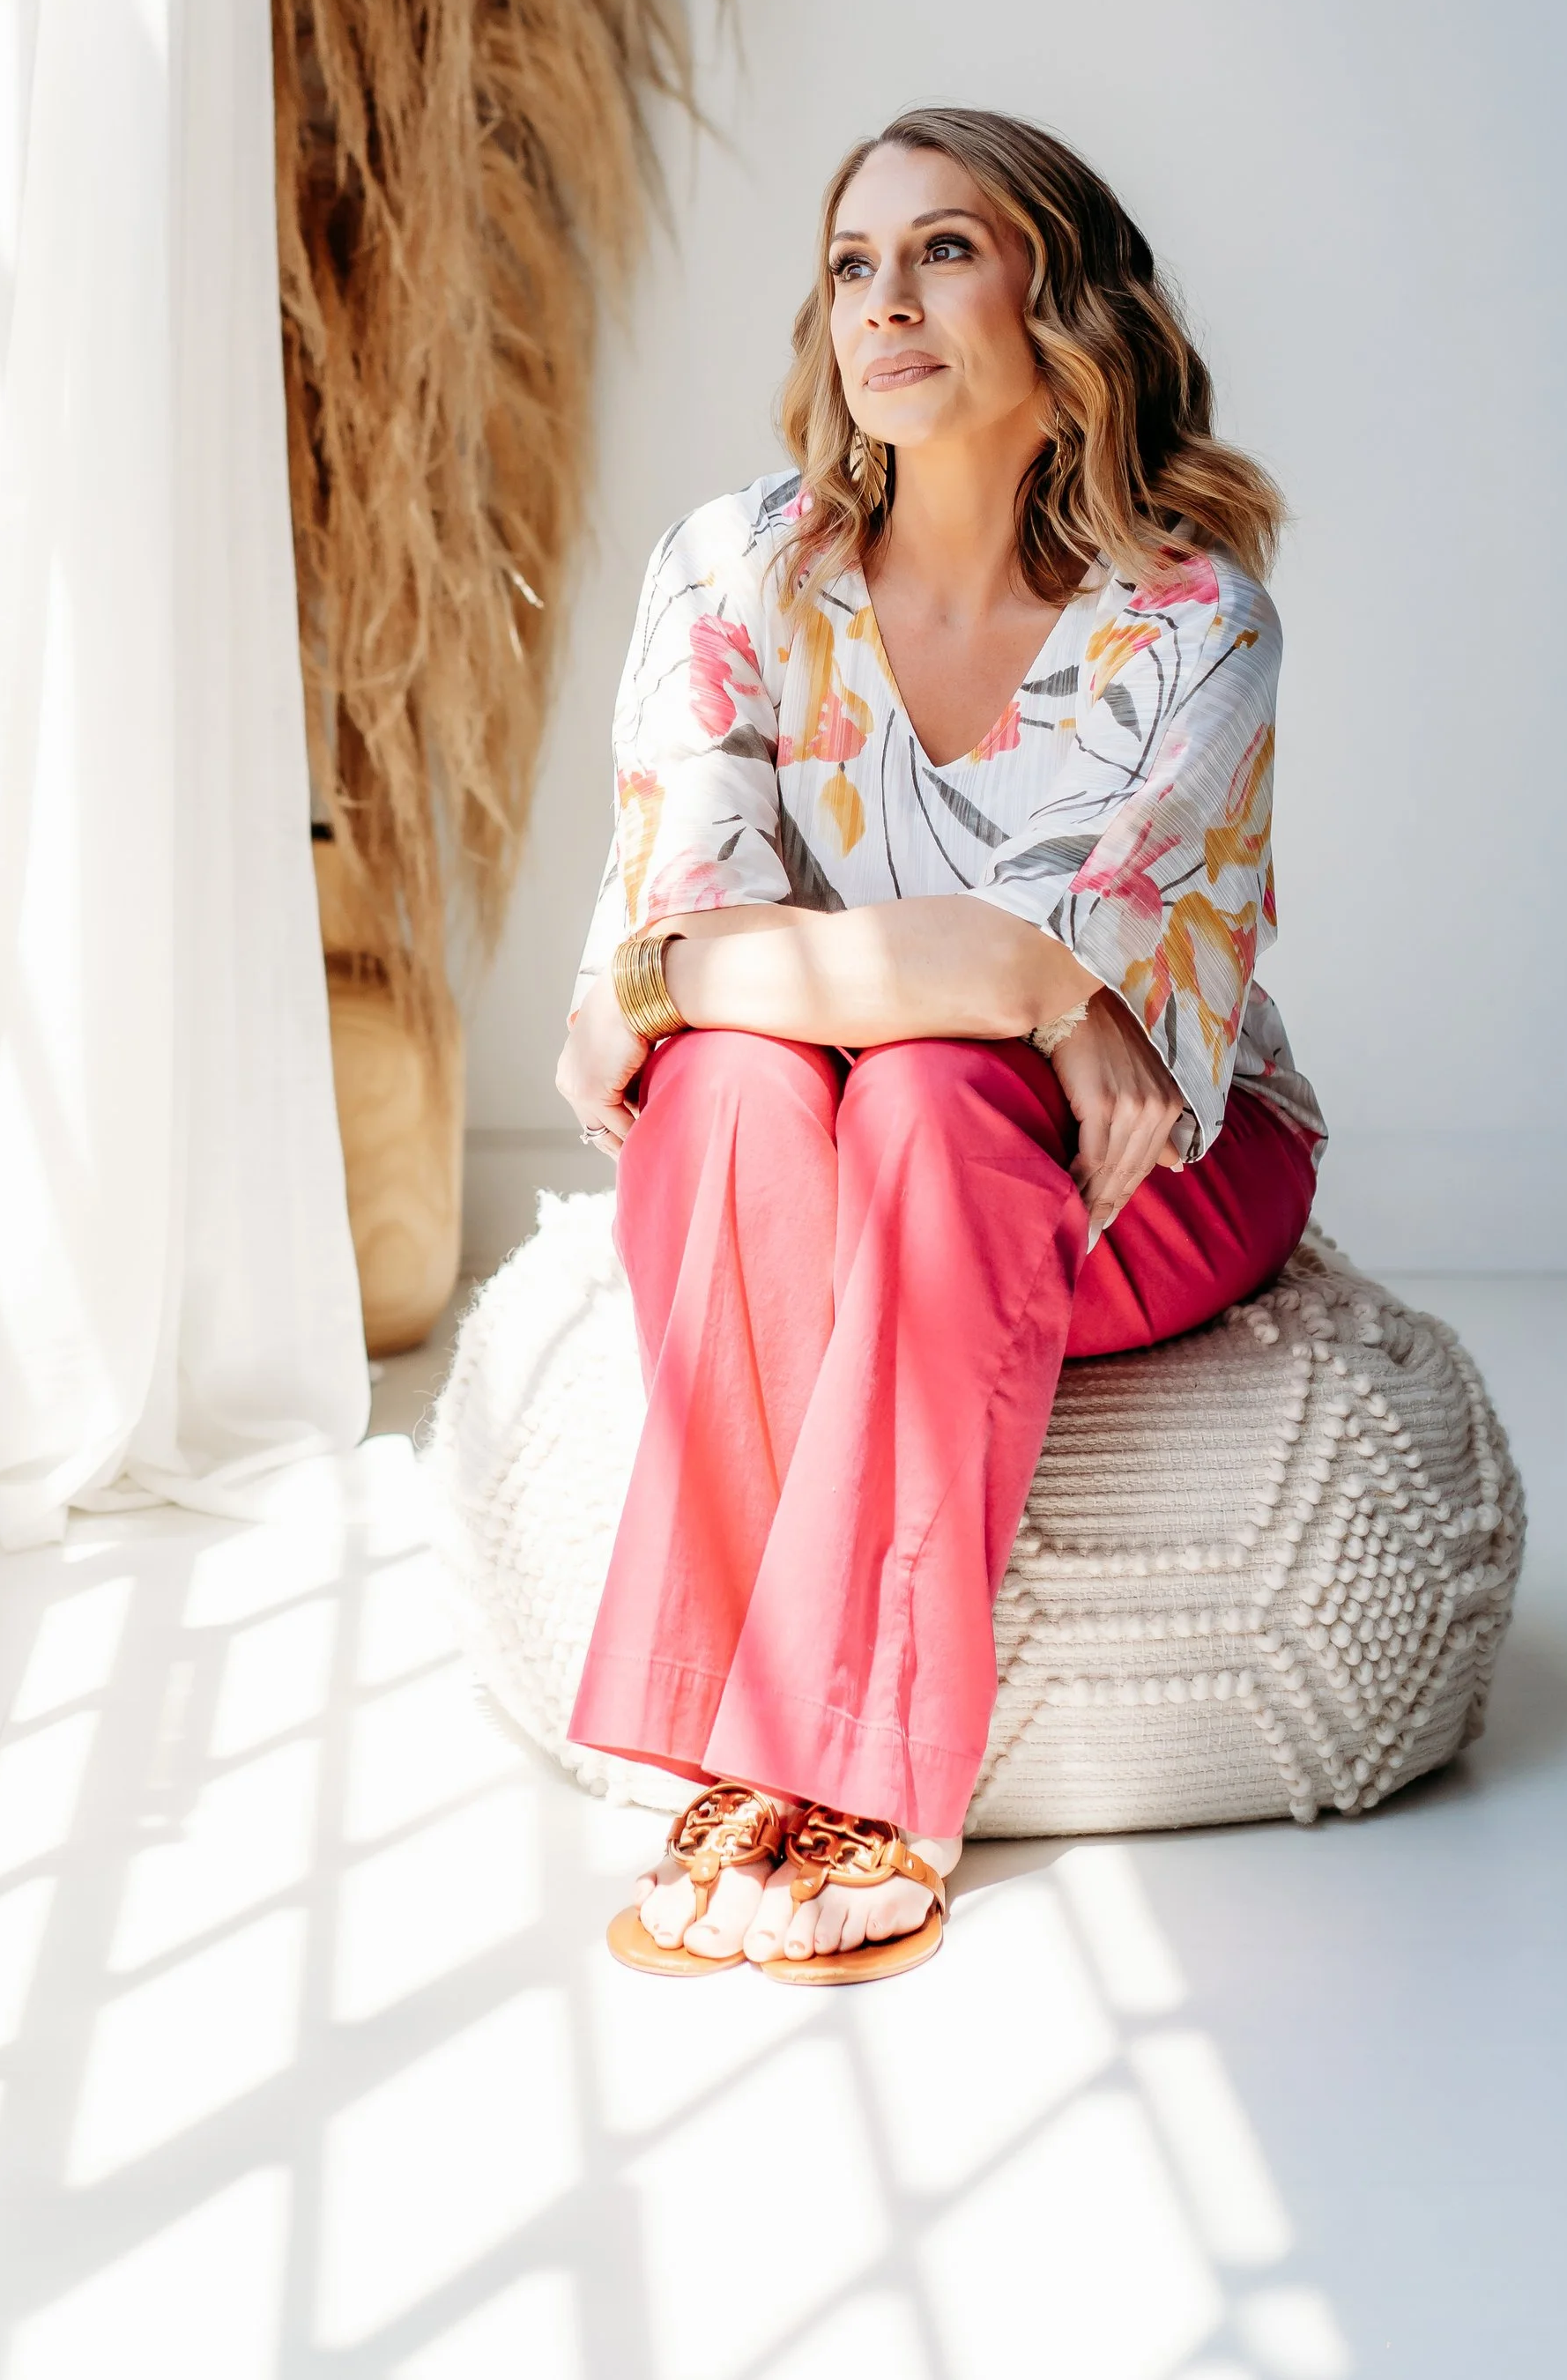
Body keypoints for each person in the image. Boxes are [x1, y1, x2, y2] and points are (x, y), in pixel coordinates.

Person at [555, 108, 1326, 1986]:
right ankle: (727, 1760)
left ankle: (852, 1778)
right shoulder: (736, 573)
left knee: (916, 1088)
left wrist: (1023, 993)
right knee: (742, 1084)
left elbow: (1099, 1039)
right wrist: (998, 966)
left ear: (1061, 303)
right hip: (804, 1134)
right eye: (848, 264)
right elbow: (679, 964)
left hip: (1147, 1173)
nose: (879, 304)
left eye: (942, 252)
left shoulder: (1187, 625)